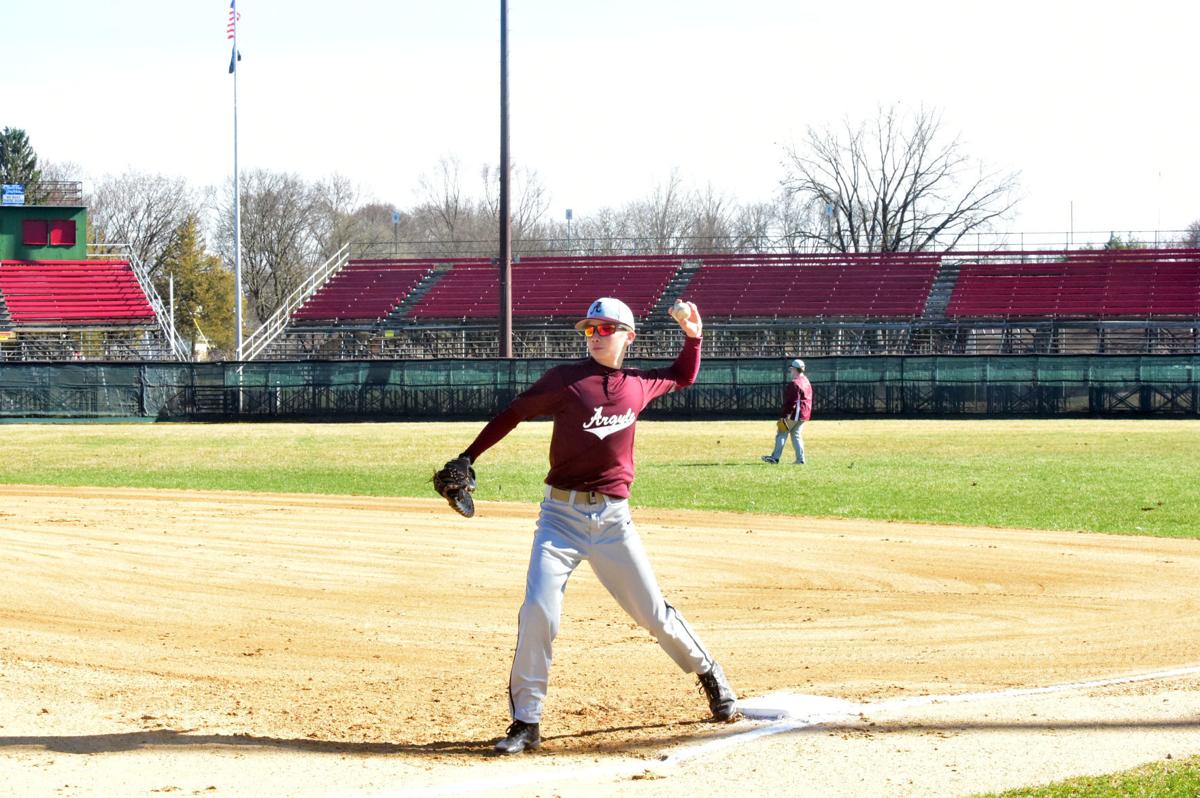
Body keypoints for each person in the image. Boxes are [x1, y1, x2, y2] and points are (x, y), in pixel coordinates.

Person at [434, 296, 738, 756]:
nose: (595, 337)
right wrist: (468, 456)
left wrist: (693, 336)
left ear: (628, 336)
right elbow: (513, 413)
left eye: (605, 329)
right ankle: (526, 721)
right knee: (538, 608)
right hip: (560, 517)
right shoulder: (566, 380)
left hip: (615, 521)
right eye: (589, 330)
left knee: (652, 613)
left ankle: (708, 672)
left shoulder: (639, 384)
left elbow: (683, 374)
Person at [761, 358, 812, 465]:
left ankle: (775, 458)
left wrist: (785, 415)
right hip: (805, 413)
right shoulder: (806, 380)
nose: (791, 371)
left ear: (795, 369)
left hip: (795, 413)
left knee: (781, 433)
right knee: (796, 435)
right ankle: (800, 460)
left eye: (792, 369)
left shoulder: (795, 383)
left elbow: (791, 402)